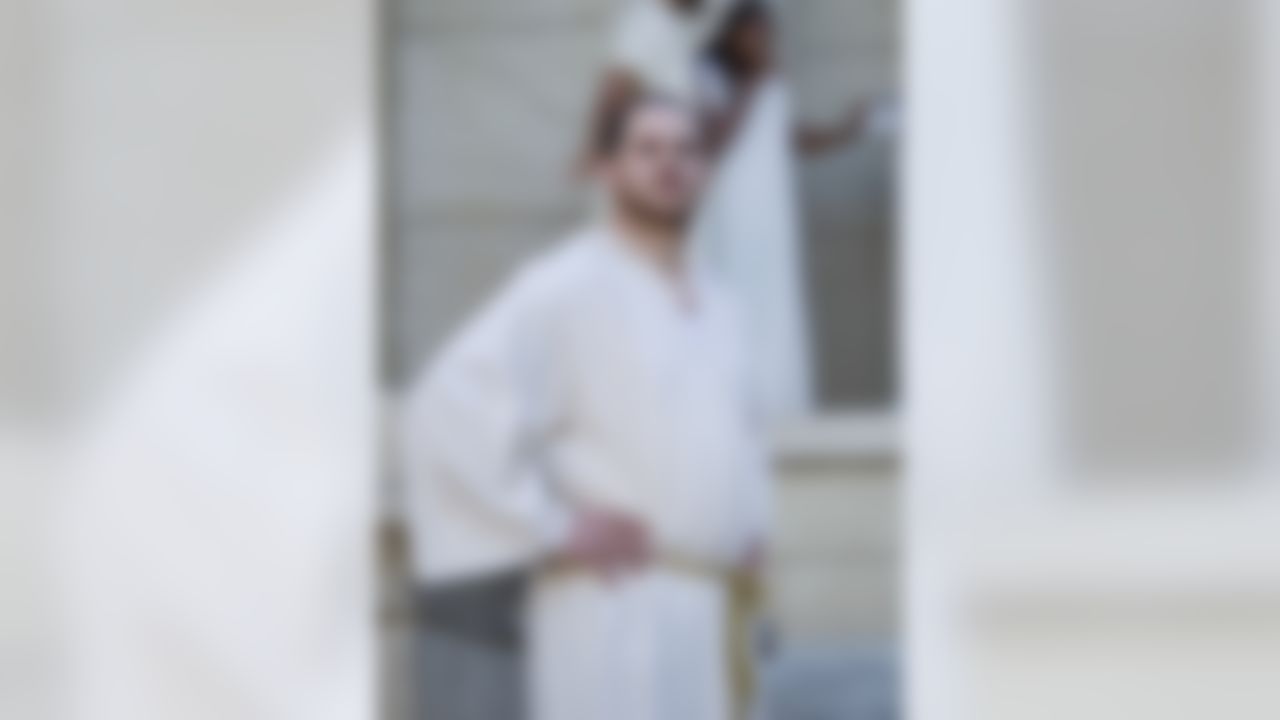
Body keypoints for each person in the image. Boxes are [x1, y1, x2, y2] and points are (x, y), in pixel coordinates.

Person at [404, 96, 773, 720]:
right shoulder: (567, 285)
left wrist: (747, 528)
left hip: (710, 605)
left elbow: (739, 437)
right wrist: (551, 525)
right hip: (614, 604)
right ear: (607, 169)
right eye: (648, 149)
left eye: (687, 151)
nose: (670, 165)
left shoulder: (719, 302)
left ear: (707, 170)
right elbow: (449, 403)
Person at [698, 0, 871, 419]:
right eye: (754, 35)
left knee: (774, 313)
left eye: (767, 36)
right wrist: (754, 85)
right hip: (726, 220)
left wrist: (845, 131)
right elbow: (711, 141)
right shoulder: (706, 78)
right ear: (729, 36)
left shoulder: (771, 84)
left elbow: (789, 138)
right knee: (731, 306)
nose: (763, 44)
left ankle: (779, 402)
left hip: (769, 222)